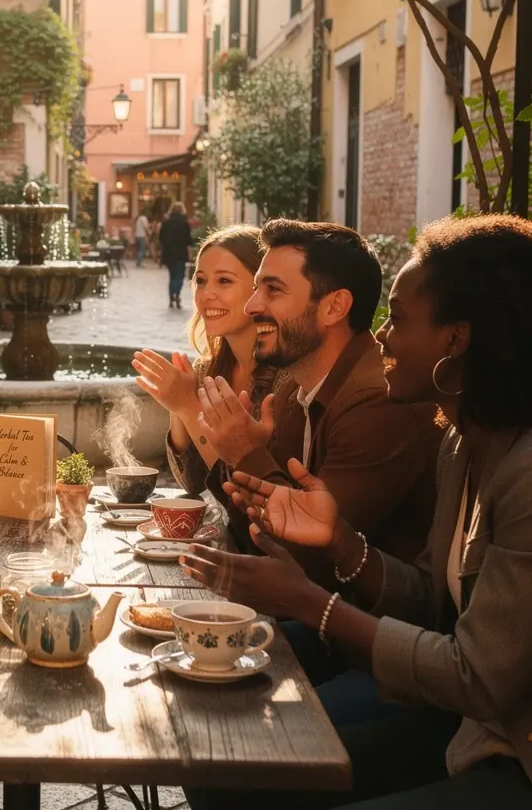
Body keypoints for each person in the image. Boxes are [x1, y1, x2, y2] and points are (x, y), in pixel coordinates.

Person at [182, 214, 532, 808]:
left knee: (242, 770)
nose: (384, 336)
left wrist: (309, 602)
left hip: (506, 751)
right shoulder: (463, 444)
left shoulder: (520, 471)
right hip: (452, 713)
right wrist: (342, 541)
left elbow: (478, 676)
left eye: (398, 318)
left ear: (457, 339)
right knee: (222, 769)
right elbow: (429, 601)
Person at [194, 219, 441, 571]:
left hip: (367, 622)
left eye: (273, 290)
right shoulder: (294, 386)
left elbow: (310, 563)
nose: (252, 307)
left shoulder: (376, 401)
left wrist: (247, 453)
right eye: (255, 289)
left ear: (334, 307)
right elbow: (253, 535)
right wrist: (244, 457)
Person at [133, 225, 284, 533]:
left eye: (224, 281)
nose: (206, 294)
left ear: (261, 289)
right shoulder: (206, 370)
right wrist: (175, 403)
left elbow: (245, 499)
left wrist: (188, 405)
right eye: (200, 281)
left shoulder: (286, 379)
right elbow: (192, 482)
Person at [158, 201, 194, 309]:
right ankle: (177, 295)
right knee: (180, 276)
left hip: (169, 253)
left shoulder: (166, 223)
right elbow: (189, 240)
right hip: (181, 253)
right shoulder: (184, 223)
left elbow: (160, 238)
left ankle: (171, 297)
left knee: (172, 276)